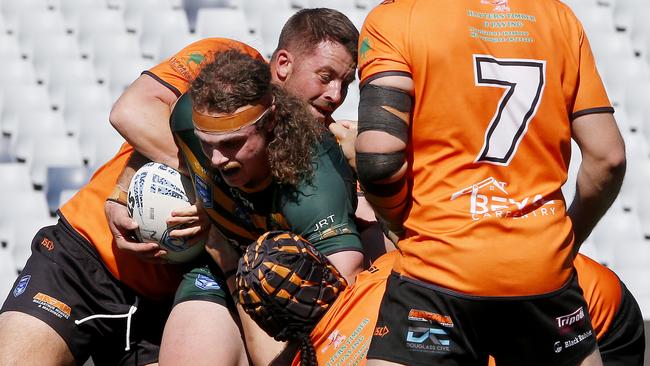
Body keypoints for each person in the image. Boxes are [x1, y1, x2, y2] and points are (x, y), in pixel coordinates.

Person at [0, 9, 361, 366]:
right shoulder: (225, 63)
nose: (337, 94)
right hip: (88, 258)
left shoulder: (321, 153)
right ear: (283, 64)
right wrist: (201, 190)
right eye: (326, 76)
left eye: (346, 83)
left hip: (173, 298)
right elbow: (131, 111)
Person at [354, 0, 627, 365]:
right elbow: (608, 157)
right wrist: (563, 240)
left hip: (435, 272)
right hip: (543, 276)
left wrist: (397, 224)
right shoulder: (558, 17)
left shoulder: (396, 17)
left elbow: (379, 159)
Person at [223, 230, 645, 366]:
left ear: (272, 325)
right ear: (323, 267)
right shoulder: (391, 268)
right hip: (589, 297)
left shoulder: (308, 360)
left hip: (585, 323)